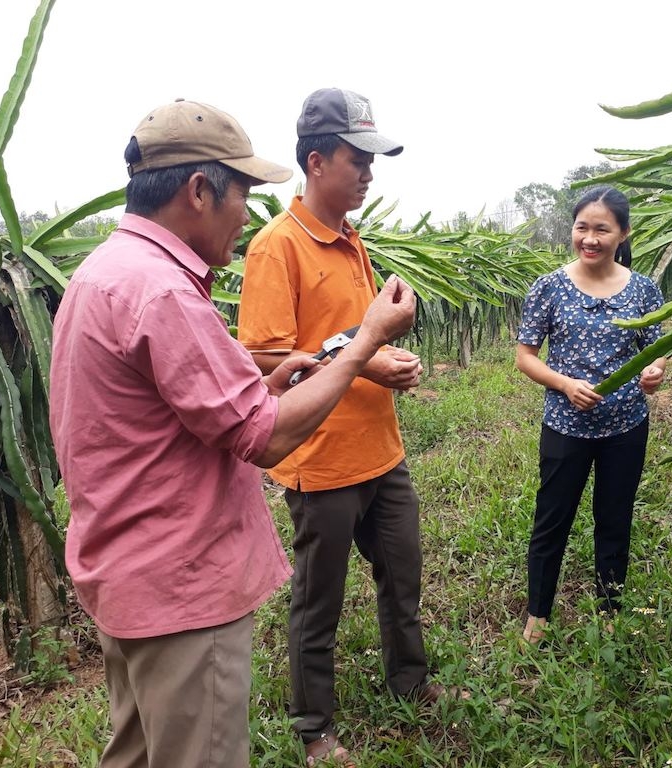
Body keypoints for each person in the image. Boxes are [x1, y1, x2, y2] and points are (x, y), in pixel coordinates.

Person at [48, 98, 417, 768]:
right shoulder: (164, 292)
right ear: (198, 190)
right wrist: (363, 345)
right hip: (180, 585)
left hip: (128, 570)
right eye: (241, 194)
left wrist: (263, 383)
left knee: (136, 751)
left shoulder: (102, 274)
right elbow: (265, 438)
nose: (246, 214)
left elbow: (176, 407)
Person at [237, 87, 464, 766]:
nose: (368, 172)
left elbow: (349, 334)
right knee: (319, 597)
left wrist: (388, 350)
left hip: (381, 450)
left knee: (403, 574)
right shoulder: (276, 248)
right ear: (315, 161)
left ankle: (411, 683)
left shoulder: (350, 240)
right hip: (322, 453)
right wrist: (369, 361)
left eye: (373, 159)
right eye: (356, 158)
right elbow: (265, 353)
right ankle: (314, 728)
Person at [515, 185, 666, 645]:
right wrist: (564, 383)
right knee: (551, 521)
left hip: (626, 426)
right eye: (582, 227)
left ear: (622, 233)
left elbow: (657, 350)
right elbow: (525, 356)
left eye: (602, 229)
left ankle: (609, 612)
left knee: (614, 519)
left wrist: (655, 371)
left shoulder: (643, 289)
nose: (590, 238)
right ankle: (538, 616)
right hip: (566, 426)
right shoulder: (550, 286)